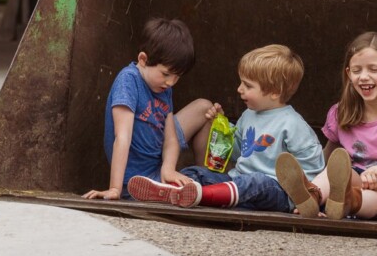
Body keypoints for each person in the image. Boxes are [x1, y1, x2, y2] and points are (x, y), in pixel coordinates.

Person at [126, 44, 325, 211]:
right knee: (196, 173)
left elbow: (313, 166)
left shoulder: (292, 124)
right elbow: (237, 152)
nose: (239, 89)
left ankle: (200, 196)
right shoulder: (249, 115)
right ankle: (170, 191)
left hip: (276, 192)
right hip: (237, 182)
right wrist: (221, 127)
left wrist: (306, 199)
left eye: (247, 86)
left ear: (274, 92)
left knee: (257, 182)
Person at [275, 32, 377, 220]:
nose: (363, 77)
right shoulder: (341, 113)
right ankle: (313, 197)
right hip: (356, 179)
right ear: (348, 74)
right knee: (334, 173)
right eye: (357, 71)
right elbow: (328, 160)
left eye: (373, 69)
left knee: (376, 192)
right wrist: (311, 173)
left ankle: (350, 201)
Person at [83, 17, 215, 201]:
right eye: (166, 74)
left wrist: (168, 169)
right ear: (143, 59)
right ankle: (202, 189)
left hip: (157, 164)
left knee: (204, 108)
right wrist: (115, 188)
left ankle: (202, 184)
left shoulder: (164, 87)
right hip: (139, 181)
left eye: (177, 77)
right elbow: (122, 137)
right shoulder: (129, 81)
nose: (171, 82)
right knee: (194, 179)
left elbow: (170, 139)